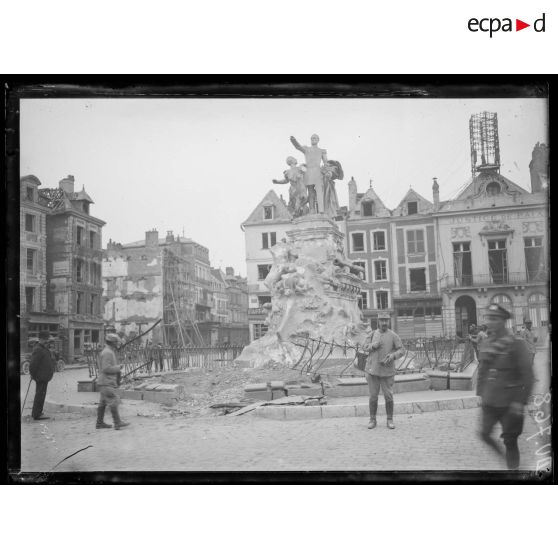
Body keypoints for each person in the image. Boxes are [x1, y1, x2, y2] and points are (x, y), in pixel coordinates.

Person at [477, 304, 534, 470]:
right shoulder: (487, 342)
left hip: (511, 403)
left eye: (494, 319)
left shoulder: (517, 344)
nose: (490, 322)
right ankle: (504, 459)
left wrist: (520, 402)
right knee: (484, 434)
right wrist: (481, 394)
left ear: (503, 321)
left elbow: (528, 376)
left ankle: (513, 470)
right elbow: (483, 369)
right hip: (491, 400)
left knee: (510, 441)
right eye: (488, 318)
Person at [363, 312, 405, 429]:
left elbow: (402, 350)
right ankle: (372, 420)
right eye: (382, 320)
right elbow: (364, 347)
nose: (384, 323)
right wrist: (373, 346)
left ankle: (390, 420)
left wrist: (392, 356)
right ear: (378, 321)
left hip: (387, 372)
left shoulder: (393, 335)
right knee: (373, 396)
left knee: (388, 396)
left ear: (389, 321)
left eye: (386, 320)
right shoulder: (372, 334)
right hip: (372, 371)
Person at [96, 333, 130, 430]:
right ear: (113, 342)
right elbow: (106, 368)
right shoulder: (108, 352)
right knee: (114, 401)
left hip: (104, 382)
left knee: (102, 403)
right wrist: (118, 368)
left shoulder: (107, 351)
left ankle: (99, 423)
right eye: (116, 342)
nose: (117, 344)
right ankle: (117, 422)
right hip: (107, 382)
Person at [290, 134, 328, 213]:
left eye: (315, 138)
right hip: (309, 172)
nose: (313, 139)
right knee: (310, 192)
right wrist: (293, 140)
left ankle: (321, 209)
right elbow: (298, 147)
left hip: (318, 171)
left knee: (319, 191)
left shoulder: (322, 151)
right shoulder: (306, 149)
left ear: (318, 140)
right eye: (312, 138)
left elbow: (326, 162)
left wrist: (326, 170)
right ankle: (312, 209)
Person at [29, 330, 56, 420]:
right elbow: (32, 364)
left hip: (44, 377)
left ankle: (37, 412)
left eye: (47, 339)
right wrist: (33, 375)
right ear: (40, 339)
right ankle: (37, 414)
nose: (47, 341)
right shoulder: (38, 349)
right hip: (40, 377)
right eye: (45, 339)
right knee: (39, 395)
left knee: (41, 395)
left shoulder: (43, 348)